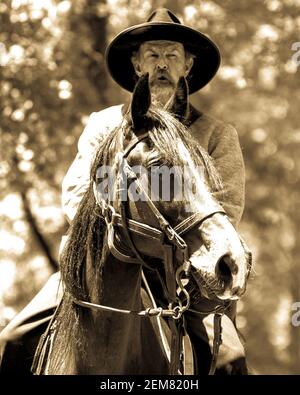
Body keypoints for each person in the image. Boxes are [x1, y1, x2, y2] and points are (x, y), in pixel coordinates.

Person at [0, 8, 247, 374]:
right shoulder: (104, 125)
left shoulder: (216, 134)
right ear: (136, 64)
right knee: (12, 340)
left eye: (172, 55)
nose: (161, 65)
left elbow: (224, 207)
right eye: (152, 55)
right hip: (102, 266)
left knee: (230, 361)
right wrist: (126, 224)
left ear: (188, 66)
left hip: (184, 275)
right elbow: (79, 192)